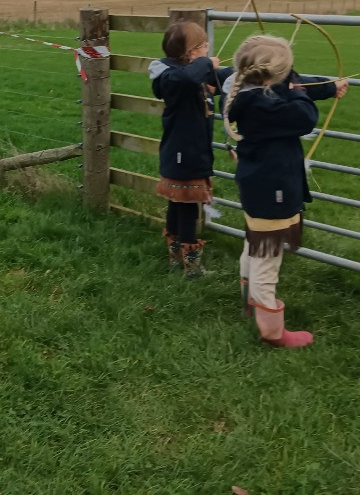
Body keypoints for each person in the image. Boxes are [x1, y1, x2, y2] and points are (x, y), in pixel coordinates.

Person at [222, 34, 349, 348]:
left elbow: (295, 86)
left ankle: (250, 305)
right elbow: (305, 116)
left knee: (255, 245)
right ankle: (272, 331)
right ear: (271, 78)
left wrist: (330, 86)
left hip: (259, 185)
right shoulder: (267, 104)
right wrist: (297, 87)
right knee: (268, 255)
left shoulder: (245, 88)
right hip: (272, 188)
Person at [149, 20, 233, 279]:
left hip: (189, 151)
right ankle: (192, 268)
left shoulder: (193, 74)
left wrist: (244, 68)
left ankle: (175, 258)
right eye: (204, 47)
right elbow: (187, 78)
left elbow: (220, 78)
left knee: (177, 204)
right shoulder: (171, 77)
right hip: (183, 153)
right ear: (191, 53)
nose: (208, 51)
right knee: (186, 206)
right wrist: (207, 63)